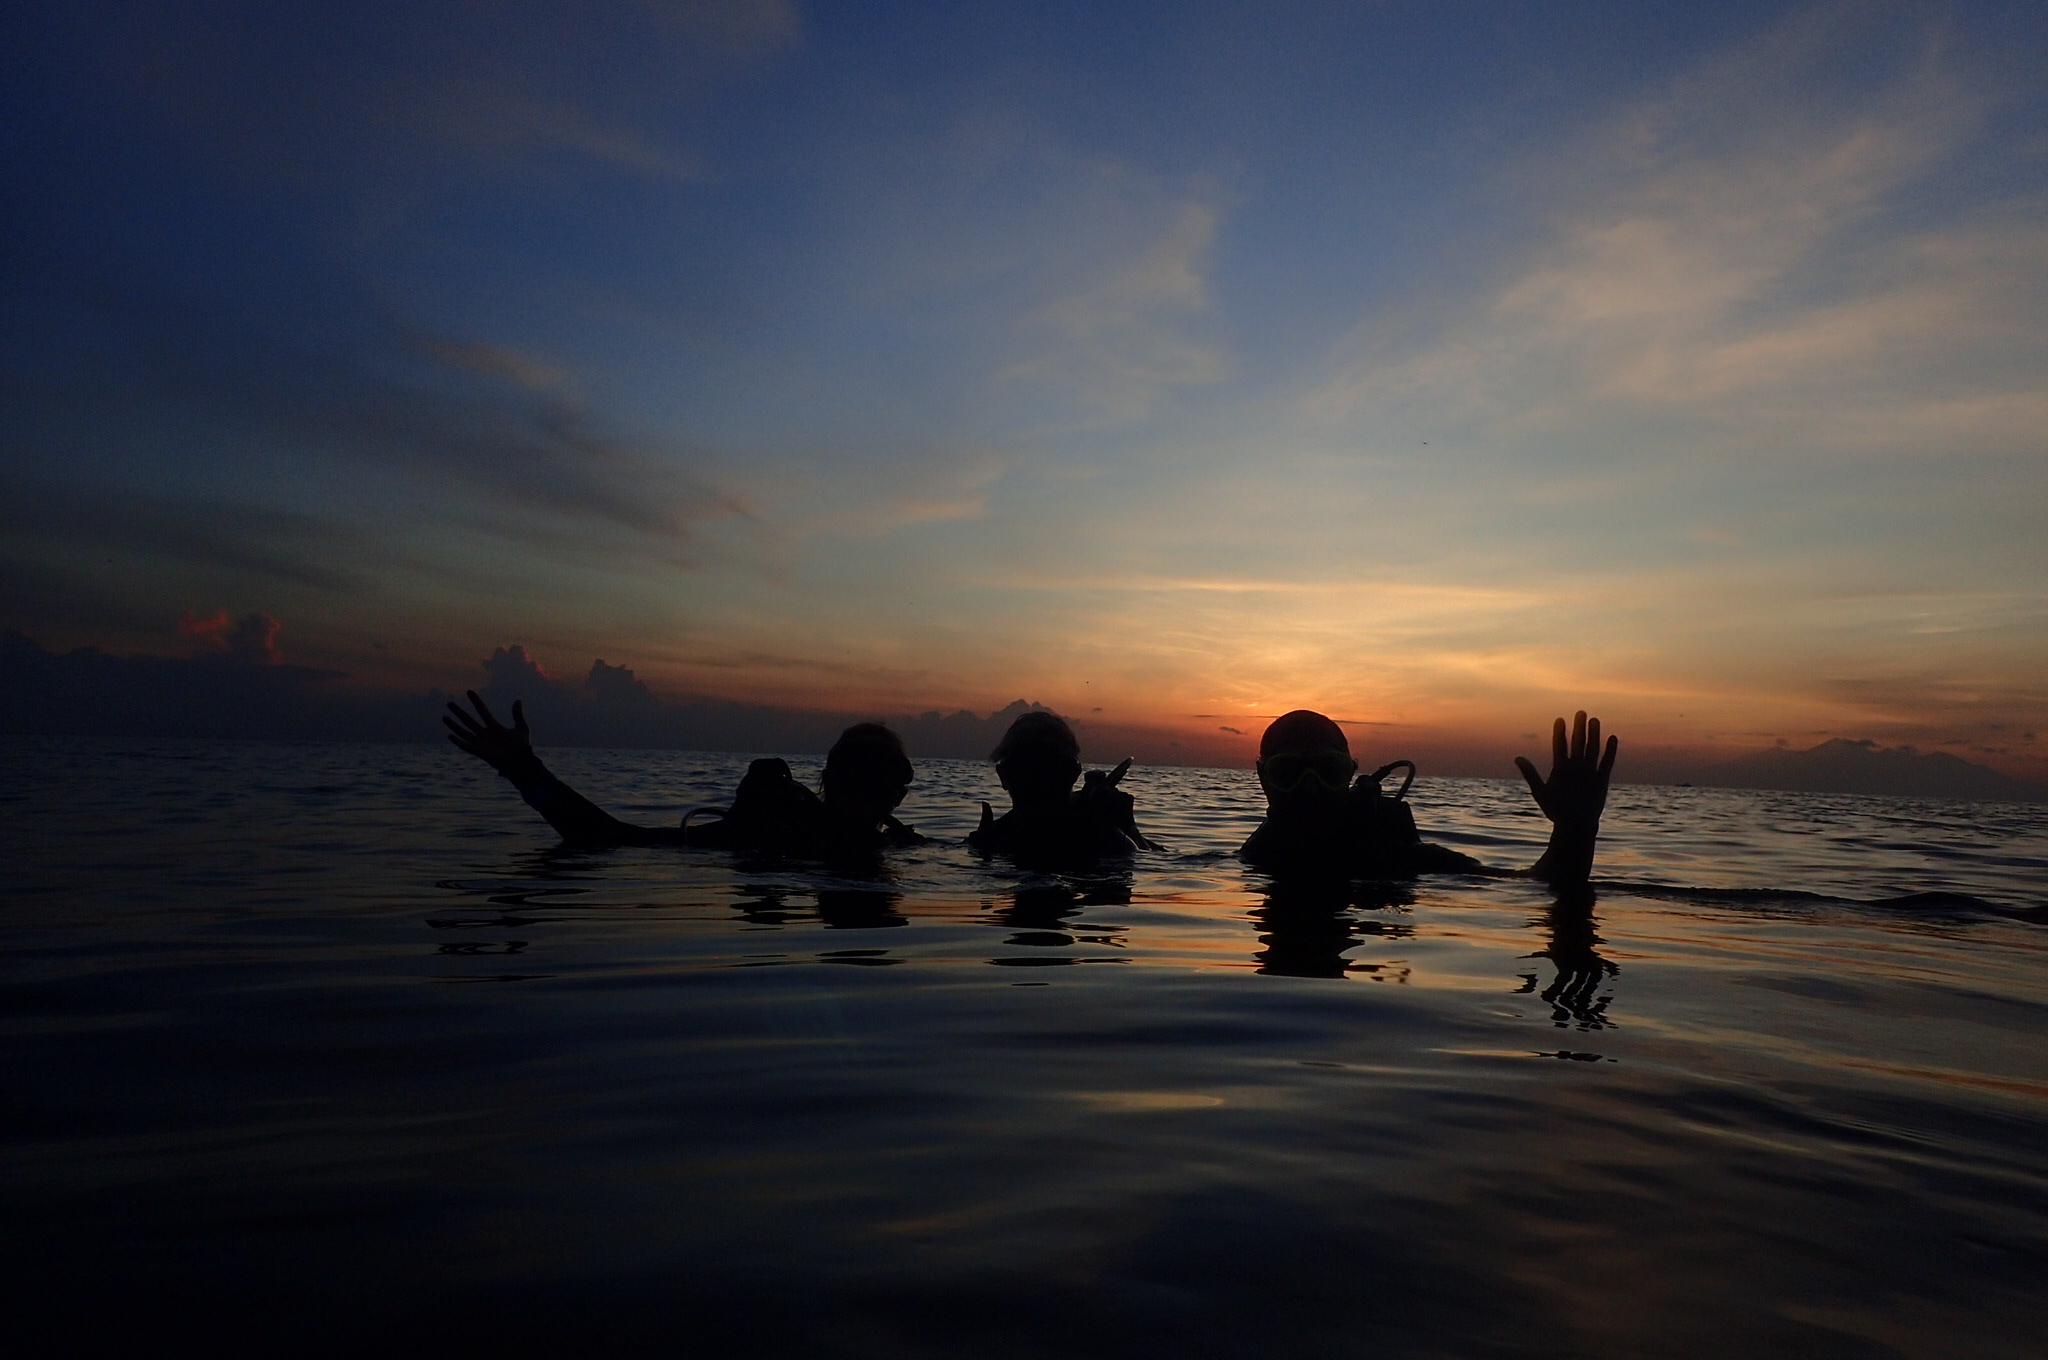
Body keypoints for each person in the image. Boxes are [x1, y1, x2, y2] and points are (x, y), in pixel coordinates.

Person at [443, 691, 925, 854]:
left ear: (897, 794)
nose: (865, 786)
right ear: (830, 779)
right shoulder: (769, 833)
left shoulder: (904, 845)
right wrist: (523, 770)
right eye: (854, 770)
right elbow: (611, 838)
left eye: (881, 773)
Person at [1240, 708, 1618, 885]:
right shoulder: (1253, 859)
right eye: (1289, 772)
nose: (1310, 789)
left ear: (1351, 774)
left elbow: (1535, 884)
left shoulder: (1397, 855)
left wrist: (1575, 832)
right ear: (1262, 777)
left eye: (1328, 772)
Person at [967, 710, 1161, 858]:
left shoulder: (988, 843)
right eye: (1027, 768)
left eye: (1054, 768)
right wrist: (1128, 830)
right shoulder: (1105, 838)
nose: (1042, 781)